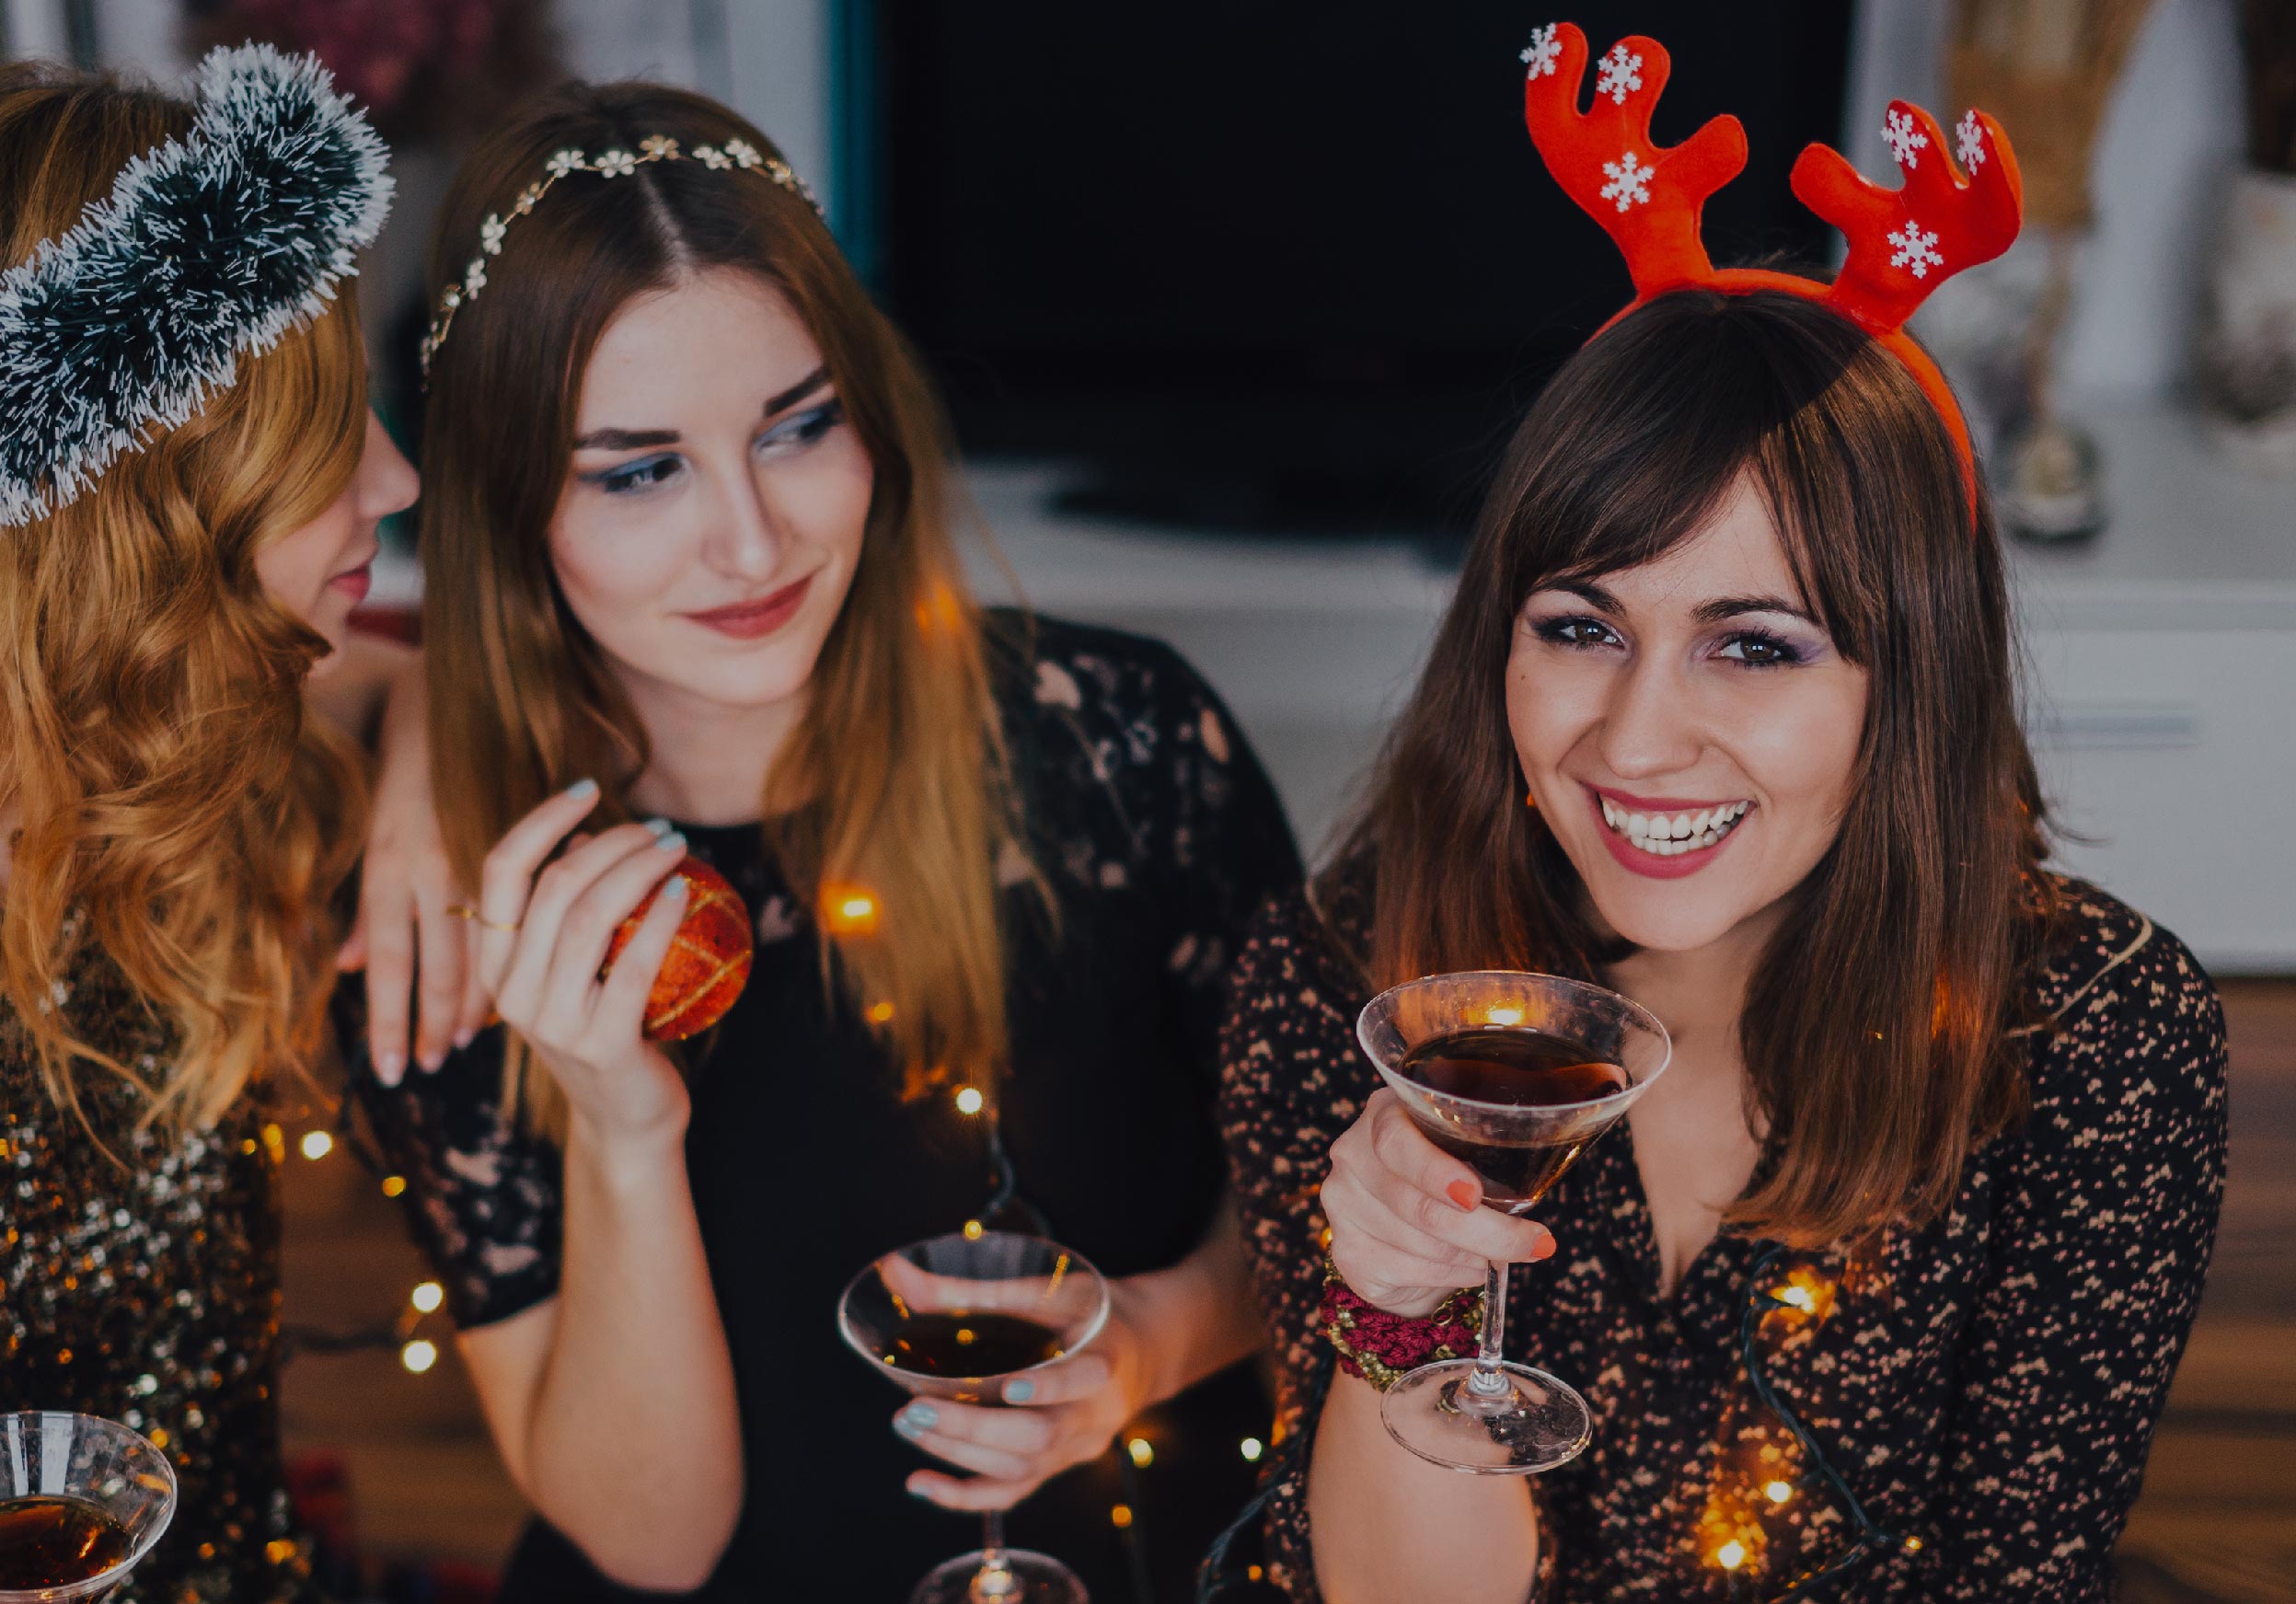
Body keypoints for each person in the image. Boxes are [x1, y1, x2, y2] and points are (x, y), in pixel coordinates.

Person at [1216, 30, 2226, 1604]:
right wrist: (1395, 1303)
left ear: (1915, 682)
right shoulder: (1348, 975)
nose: (1635, 740)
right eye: (1580, 625)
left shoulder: (2097, 1033)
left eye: (1755, 645)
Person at [347, 81, 1302, 1600]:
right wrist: (622, 1127)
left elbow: (1328, 1198)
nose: (753, 540)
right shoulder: (449, 914)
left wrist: (1162, 1339)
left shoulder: (1121, 743)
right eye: (639, 468)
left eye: (798, 428)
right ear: (506, 501)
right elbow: (650, 1543)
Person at [0, 47, 418, 1603]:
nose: (398, 474)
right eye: (323, 437)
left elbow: (424, 674)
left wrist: (437, 765)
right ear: (135, 497)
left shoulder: (184, 733)